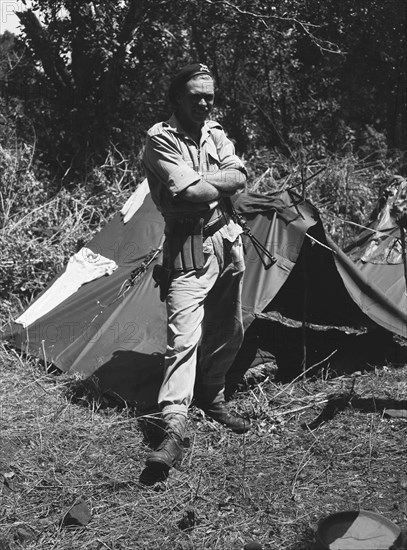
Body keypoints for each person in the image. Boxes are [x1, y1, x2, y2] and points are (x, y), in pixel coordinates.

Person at [142, 63, 251, 473]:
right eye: (196, 97)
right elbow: (192, 190)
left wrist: (214, 181)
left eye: (209, 96)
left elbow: (239, 177)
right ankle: (174, 425)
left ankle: (214, 396)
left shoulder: (215, 133)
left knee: (228, 326)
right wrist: (217, 180)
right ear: (176, 99)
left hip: (228, 241)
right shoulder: (159, 139)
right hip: (187, 244)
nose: (204, 103)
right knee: (183, 337)